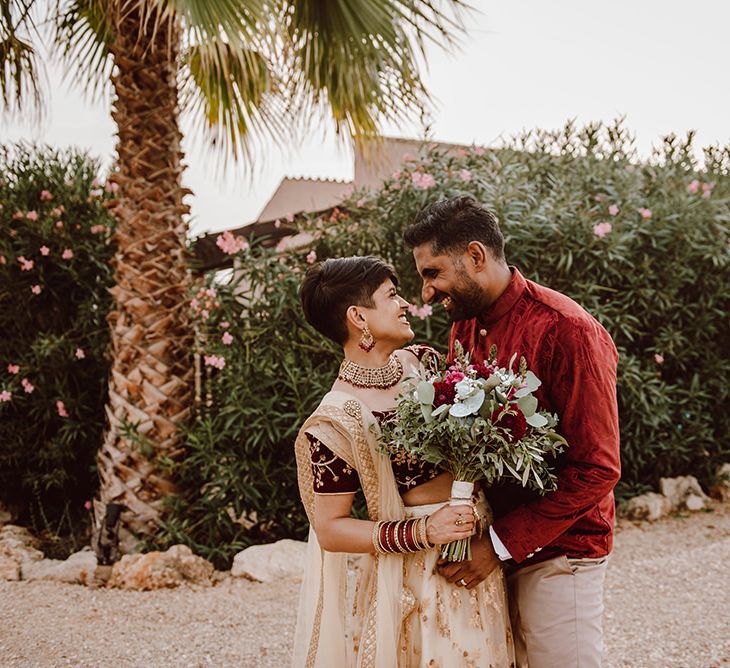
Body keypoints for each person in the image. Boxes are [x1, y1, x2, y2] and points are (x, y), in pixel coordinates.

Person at [403, 195, 621, 668]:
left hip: (562, 553)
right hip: (489, 552)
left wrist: (496, 546)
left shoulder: (569, 330)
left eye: (432, 272)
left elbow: (598, 469)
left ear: (476, 256)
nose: (426, 293)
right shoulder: (464, 323)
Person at [292, 255, 514, 667]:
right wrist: (424, 531)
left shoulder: (427, 363)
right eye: (392, 295)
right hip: (420, 576)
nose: (405, 304)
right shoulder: (334, 420)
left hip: (481, 550)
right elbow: (330, 530)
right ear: (358, 316)